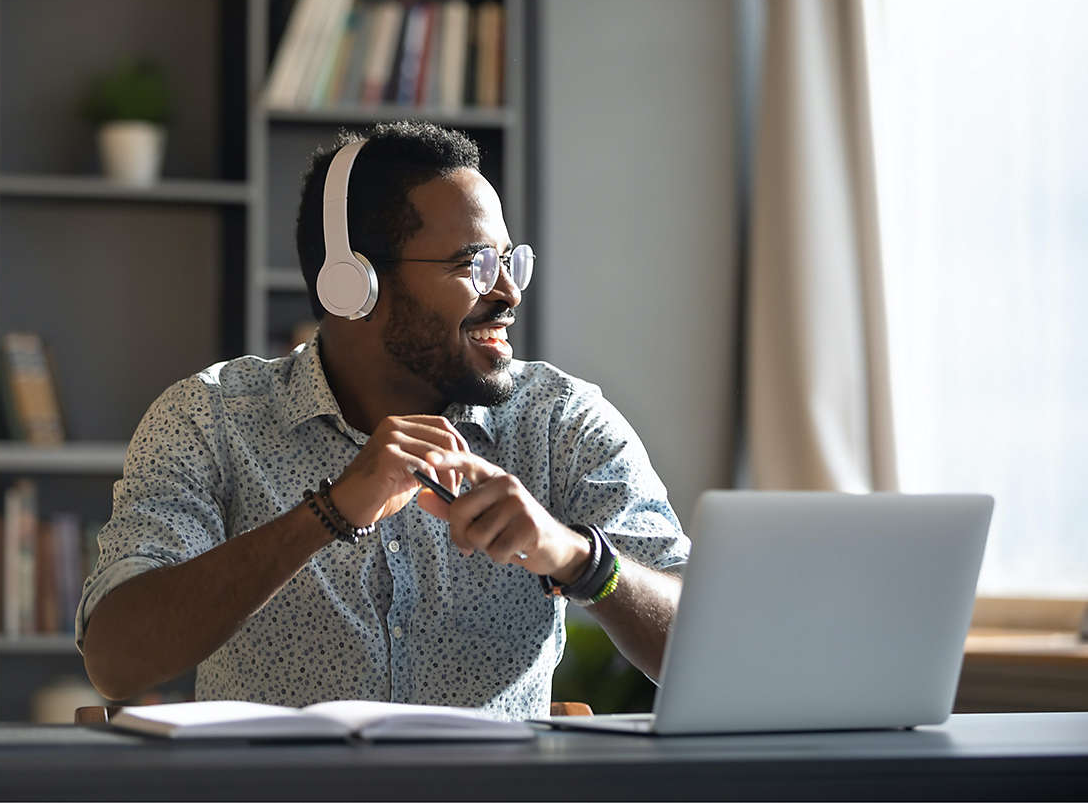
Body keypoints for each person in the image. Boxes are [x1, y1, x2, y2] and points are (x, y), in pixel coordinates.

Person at [78, 121, 690, 719]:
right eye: (473, 264)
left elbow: (710, 637)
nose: (508, 292)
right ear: (355, 285)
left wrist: (581, 559)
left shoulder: (560, 420)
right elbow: (116, 658)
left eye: (509, 260)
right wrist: (328, 514)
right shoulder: (211, 418)